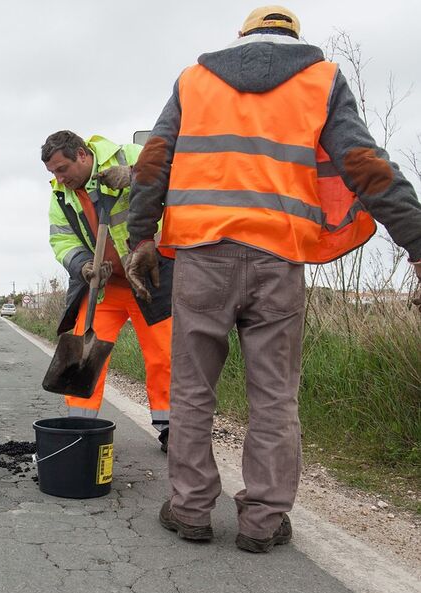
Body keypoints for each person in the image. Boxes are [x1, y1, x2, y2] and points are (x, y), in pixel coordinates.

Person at [124, 6, 421, 553]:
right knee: (275, 398)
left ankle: (190, 508)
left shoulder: (194, 80)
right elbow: (366, 165)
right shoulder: (321, 78)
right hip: (278, 260)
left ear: (242, 37)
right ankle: (263, 521)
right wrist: (417, 242)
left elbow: (153, 162)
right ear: (295, 38)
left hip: (201, 256)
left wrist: (141, 239)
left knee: (191, 393)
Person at [41, 130, 174, 452]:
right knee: (83, 354)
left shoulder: (130, 154)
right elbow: (61, 240)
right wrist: (84, 264)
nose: (59, 178)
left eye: (62, 169)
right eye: (53, 173)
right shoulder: (61, 194)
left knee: (164, 355)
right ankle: (79, 425)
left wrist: (135, 176)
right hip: (104, 288)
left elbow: (181, 179)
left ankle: (174, 429)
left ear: (83, 156)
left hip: (150, 276)